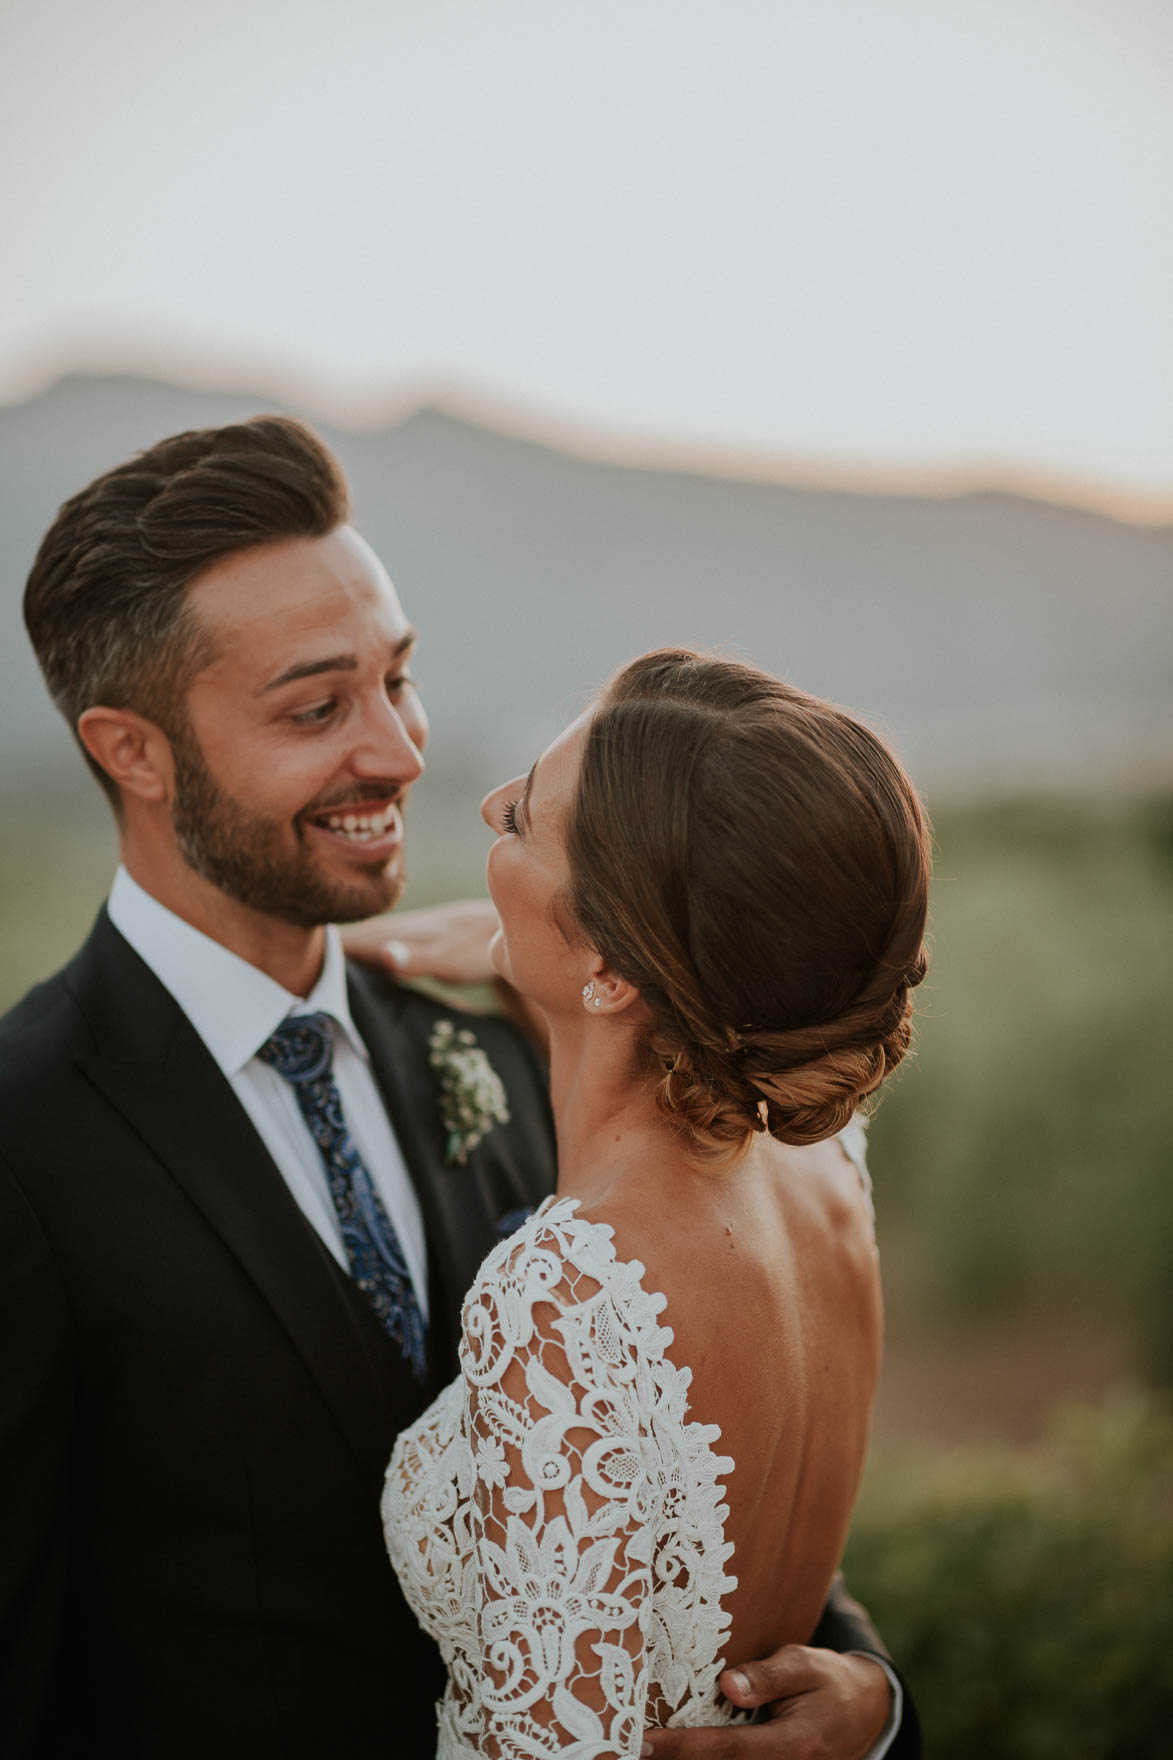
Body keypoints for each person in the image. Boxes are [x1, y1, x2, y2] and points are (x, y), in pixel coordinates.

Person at [0, 416, 917, 1757]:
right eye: (317, 709)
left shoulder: (521, 1037)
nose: (401, 751)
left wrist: (867, 1704)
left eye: (399, 678)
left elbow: (680, 1478)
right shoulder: (26, 1141)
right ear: (133, 751)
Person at [381, 649, 930, 1755]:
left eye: (524, 819)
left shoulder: (565, 1294)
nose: (489, 807)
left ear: (612, 967)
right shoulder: (825, 1166)